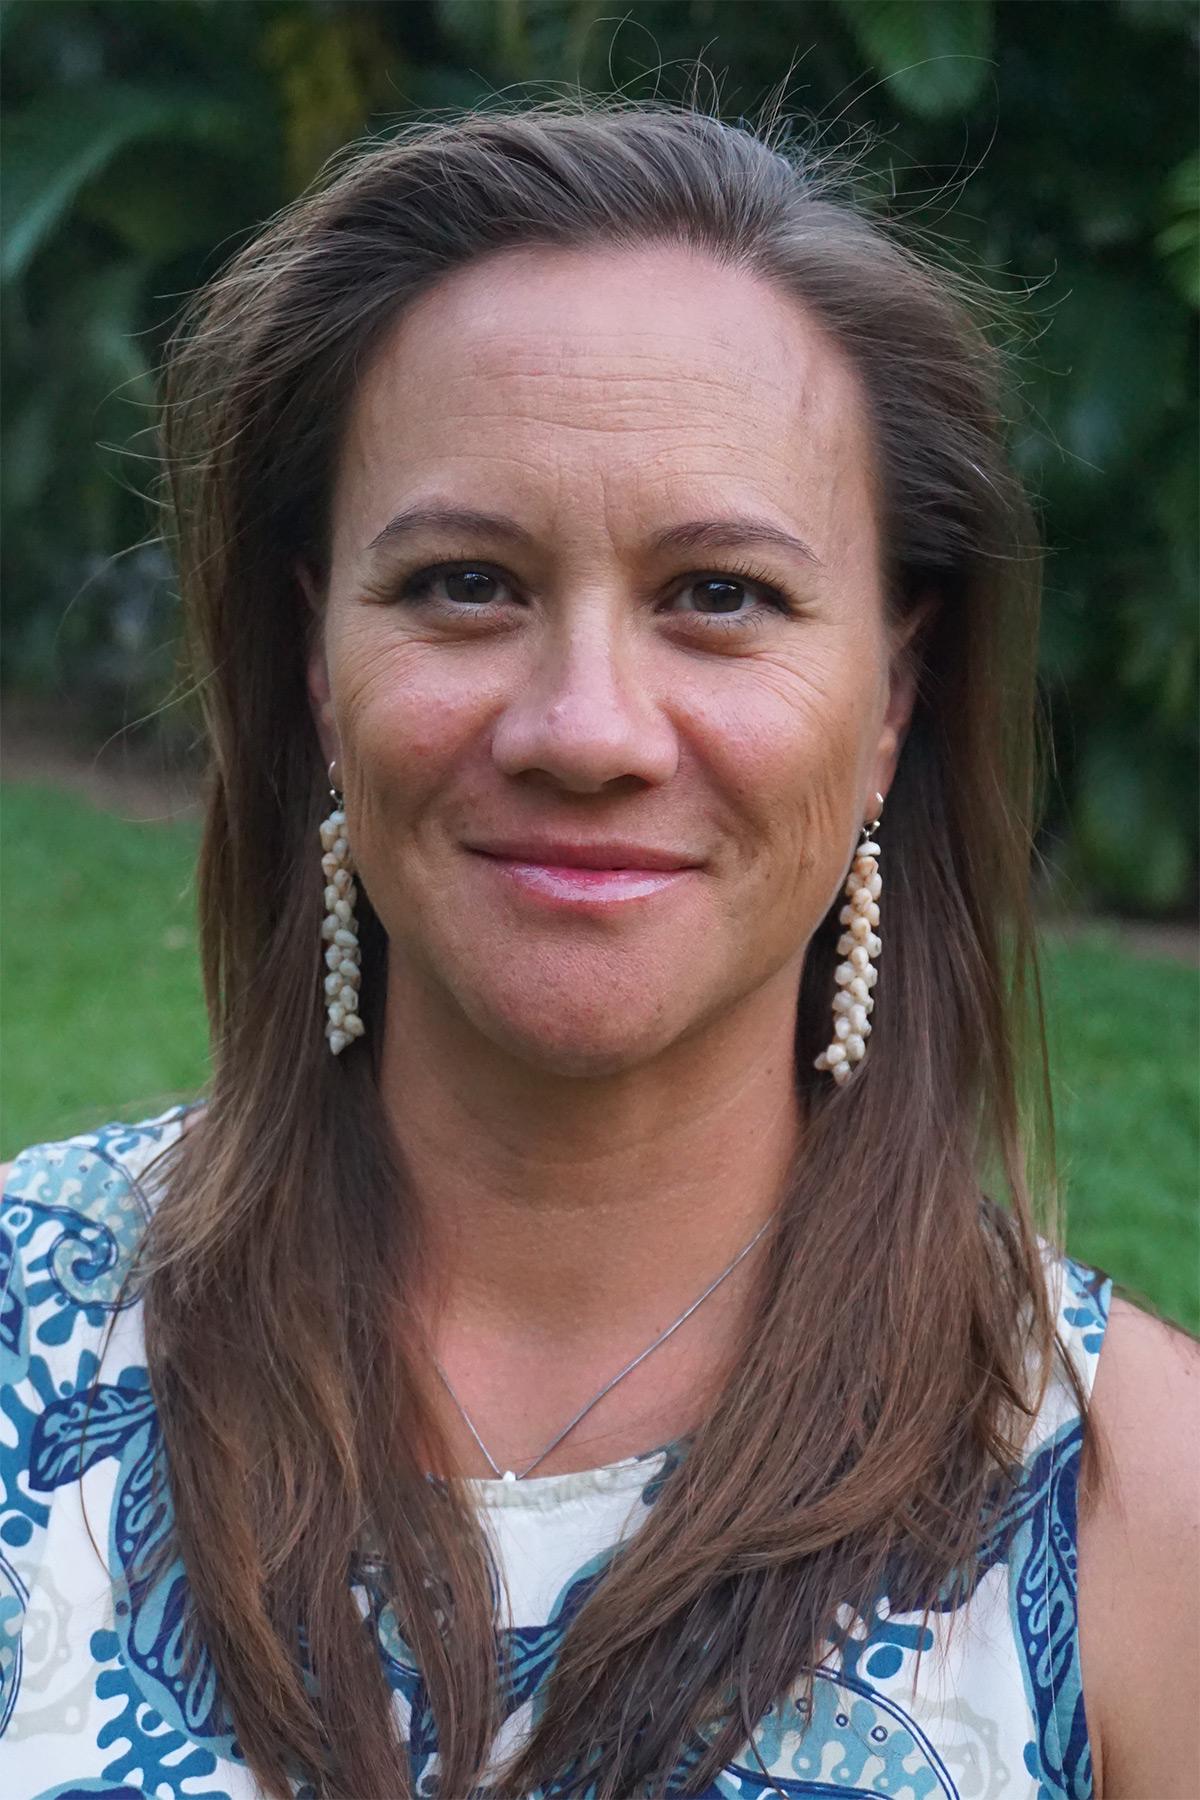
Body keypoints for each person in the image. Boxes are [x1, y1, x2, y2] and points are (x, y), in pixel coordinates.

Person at [0, 98, 1196, 1800]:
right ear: (318, 671)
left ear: (893, 702)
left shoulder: (1143, 1517)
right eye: (466, 583)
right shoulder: (20, 1352)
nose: (585, 727)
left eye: (718, 595)